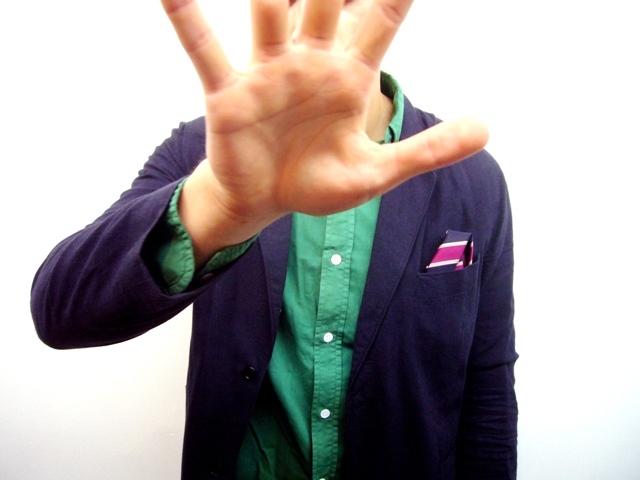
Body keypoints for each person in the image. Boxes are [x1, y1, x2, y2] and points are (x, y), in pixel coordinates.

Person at [31, 0, 518, 478]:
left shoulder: (472, 179)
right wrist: (221, 204)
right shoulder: (211, 151)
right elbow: (60, 310)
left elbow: (488, 380)